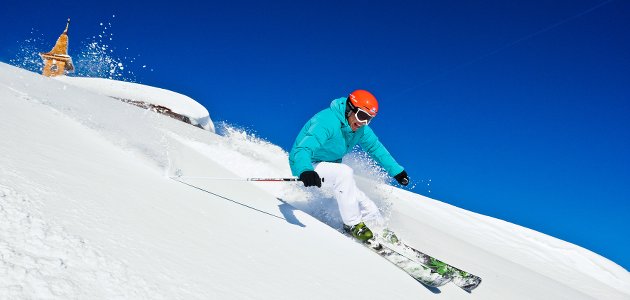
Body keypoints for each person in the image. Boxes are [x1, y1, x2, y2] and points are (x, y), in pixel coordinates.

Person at [289, 89, 409, 242]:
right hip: (307, 164)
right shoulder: (326, 121)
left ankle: (378, 229)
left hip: (330, 168)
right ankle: (353, 225)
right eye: (362, 116)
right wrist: (305, 170)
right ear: (349, 109)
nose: (363, 123)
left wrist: (397, 171)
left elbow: (375, 148)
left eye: (369, 119)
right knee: (344, 172)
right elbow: (303, 149)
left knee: (367, 205)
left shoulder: (360, 129)